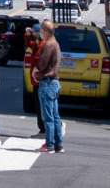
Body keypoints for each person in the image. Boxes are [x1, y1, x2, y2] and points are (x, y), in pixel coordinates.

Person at [32, 20, 64, 153]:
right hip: (55, 83)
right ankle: (58, 144)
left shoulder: (48, 44)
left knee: (47, 117)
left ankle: (49, 144)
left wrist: (36, 70)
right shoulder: (55, 43)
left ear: (44, 31)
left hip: (47, 83)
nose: (41, 34)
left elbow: (42, 63)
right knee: (55, 116)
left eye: (41, 31)